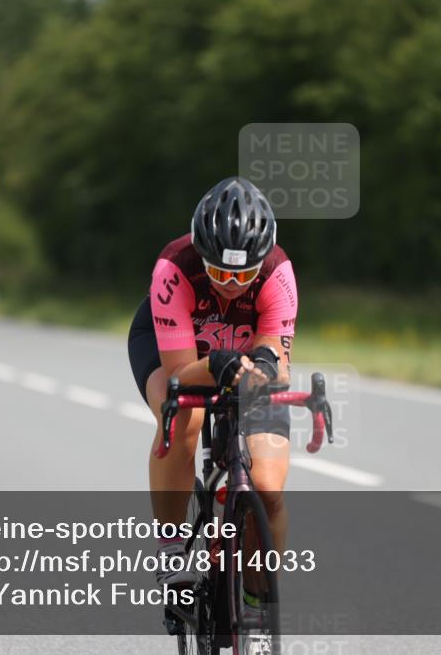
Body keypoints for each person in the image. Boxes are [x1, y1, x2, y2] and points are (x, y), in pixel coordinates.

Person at [128, 177, 298, 599]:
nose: (231, 284)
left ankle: (259, 600)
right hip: (178, 348)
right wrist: (217, 363)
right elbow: (180, 375)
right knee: (184, 413)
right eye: (219, 271)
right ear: (202, 256)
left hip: (242, 354)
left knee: (270, 490)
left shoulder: (279, 273)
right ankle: (171, 550)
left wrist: (262, 361)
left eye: (244, 274)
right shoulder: (174, 267)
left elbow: (278, 365)